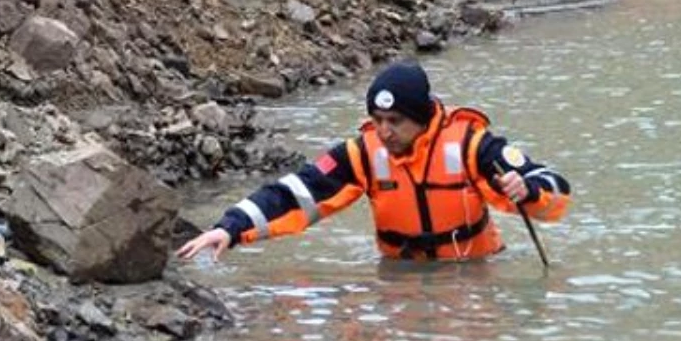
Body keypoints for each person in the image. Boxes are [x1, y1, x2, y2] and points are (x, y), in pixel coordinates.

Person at [177, 61, 571, 262]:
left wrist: (529, 189)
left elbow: (555, 189)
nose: (384, 132)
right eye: (378, 120)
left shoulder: (472, 145)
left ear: (421, 117)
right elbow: (294, 194)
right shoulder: (363, 154)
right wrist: (229, 229)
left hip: (476, 273)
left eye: (395, 122)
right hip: (399, 274)